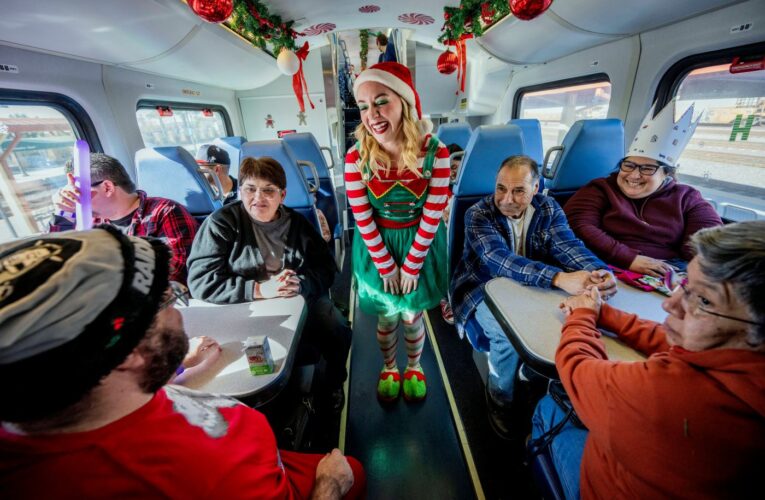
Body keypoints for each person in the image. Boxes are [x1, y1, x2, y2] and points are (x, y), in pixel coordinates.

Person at [0, 227, 365, 498]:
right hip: (288, 478)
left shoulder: (82, 401)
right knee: (356, 472)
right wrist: (329, 485)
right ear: (127, 353)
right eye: (163, 303)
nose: (178, 313)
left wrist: (186, 372)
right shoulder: (209, 473)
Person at [533, 221, 765, 498]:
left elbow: (577, 369)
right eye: (684, 285)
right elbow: (673, 337)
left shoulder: (671, 394)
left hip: (607, 486)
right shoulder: (741, 357)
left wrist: (581, 318)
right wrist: (603, 314)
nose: (669, 304)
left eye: (703, 301)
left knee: (549, 405)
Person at [450, 154, 617, 439]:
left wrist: (598, 271)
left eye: (518, 191)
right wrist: (559, 278)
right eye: (501, 188)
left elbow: (568, 246)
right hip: (482, 288)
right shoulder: (478, 214)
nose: (506, 199)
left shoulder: (548, 208)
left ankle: (536, 376)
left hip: (534, 286)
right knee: (506, 334)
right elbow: (499, 261)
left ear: (536, 188)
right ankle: (499, 395)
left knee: (569, 322)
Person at [187, 157, 351, 411]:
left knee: (336, 327)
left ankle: (333, 384)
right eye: (250, 189)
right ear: (240, 191)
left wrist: (301, 284)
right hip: (240, 304)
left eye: (268, 190)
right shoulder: (222, 223)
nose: (258, 198)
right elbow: (200, 281)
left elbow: (326, 269)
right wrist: (259, 289)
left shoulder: (299, 225)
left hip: (295, 298)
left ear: (282, 195)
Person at [345, 62, 450, 402]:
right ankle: (390, 366)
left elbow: (432, 215)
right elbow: (362, 218)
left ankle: (415, 366)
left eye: (380, 101)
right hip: (378, 246)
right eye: (363, 106)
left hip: (419, 244)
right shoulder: (355, 157)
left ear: (403, 102)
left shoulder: (437, 153)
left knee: (411, 314)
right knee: (387, 317)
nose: (371, 114)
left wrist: (412, 265)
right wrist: (387, 265)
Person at [564, 100, 722, 277]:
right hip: (605, 265)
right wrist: (628, 258)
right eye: (628, 165)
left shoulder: (687, 197)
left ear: (666, 174)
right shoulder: (600, 188)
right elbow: (579, 226)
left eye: (647, 168)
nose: (634, 175)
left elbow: (709, 240)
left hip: (669, 270)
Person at [51, 152, 198, 284]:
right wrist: (63, 212)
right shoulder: (89, 223)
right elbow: (54, 263)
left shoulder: (165, 212)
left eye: (79, 192)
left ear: (107, 188)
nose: (76, 200)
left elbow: (174, 273)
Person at [439, 143, 464, 326]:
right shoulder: (439, 190)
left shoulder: (467, 192)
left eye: (458, 168)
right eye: (451, 168)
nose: (454, 173)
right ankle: (444, 296)